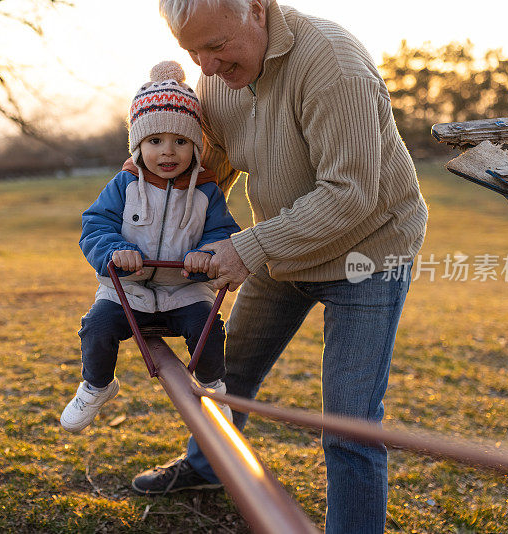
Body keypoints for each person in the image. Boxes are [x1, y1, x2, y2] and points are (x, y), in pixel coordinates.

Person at [130, 2, 428, 533]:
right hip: (283, 243)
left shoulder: (334, 66)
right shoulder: (217, 74)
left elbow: (351, 193)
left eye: (216, 47)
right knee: (227, 371)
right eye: (190, 51)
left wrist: (248, 248)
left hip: (368, 250)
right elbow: (215, 157)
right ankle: (207, 468)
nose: (206, 66)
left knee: (348, 424)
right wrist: (155, 209)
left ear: (257, 10)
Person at [60, 60, 240, 434]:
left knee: (208, 326)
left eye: (181, 142)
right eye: (155, 141)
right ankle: (97, 386)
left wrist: (205, 253)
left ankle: (212, 388)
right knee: (96, 326)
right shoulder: (124, 184)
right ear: (138, 145)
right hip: (128, 292)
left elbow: (223, 232)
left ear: (196, 145)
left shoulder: (206, 190)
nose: (168, 152)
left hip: (184, 291)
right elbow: (96, 225)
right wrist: (115, 252)